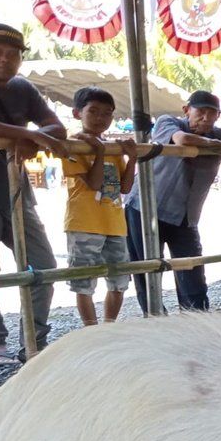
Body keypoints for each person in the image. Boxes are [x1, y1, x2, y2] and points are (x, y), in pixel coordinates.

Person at [0, 23, 65, 364]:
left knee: (43, 266)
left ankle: (32, 340)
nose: (4, 60)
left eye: (12, 54)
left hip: (17, 193)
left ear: (21, 58)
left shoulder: (23, 88)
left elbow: (56, 127)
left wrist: (36, 136)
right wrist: (25, 135)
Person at [123, 90, 221, 313]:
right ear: (187, 110)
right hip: (146, 208)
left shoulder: (219, 135)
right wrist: (220, 145)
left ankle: (195, 323)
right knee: (148, 271)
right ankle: (156, 322)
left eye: (212, 114)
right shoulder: (168, 122)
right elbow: (183, 140)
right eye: (201, 112)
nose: (206, 118)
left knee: (192, 274)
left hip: (186, 217)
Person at [63, 87, 144, 327]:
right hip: (84, 223)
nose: (100, 118)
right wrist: (98, 152)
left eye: (107, 113)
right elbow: (94, 183)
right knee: (84, 282)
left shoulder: (111, 147)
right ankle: (91, 329)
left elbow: (126, 188)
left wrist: (132, 159)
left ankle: (107, 326)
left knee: (119, 280)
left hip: (115, 224)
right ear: (78, 113)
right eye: (93, 111)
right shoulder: (72, 145)